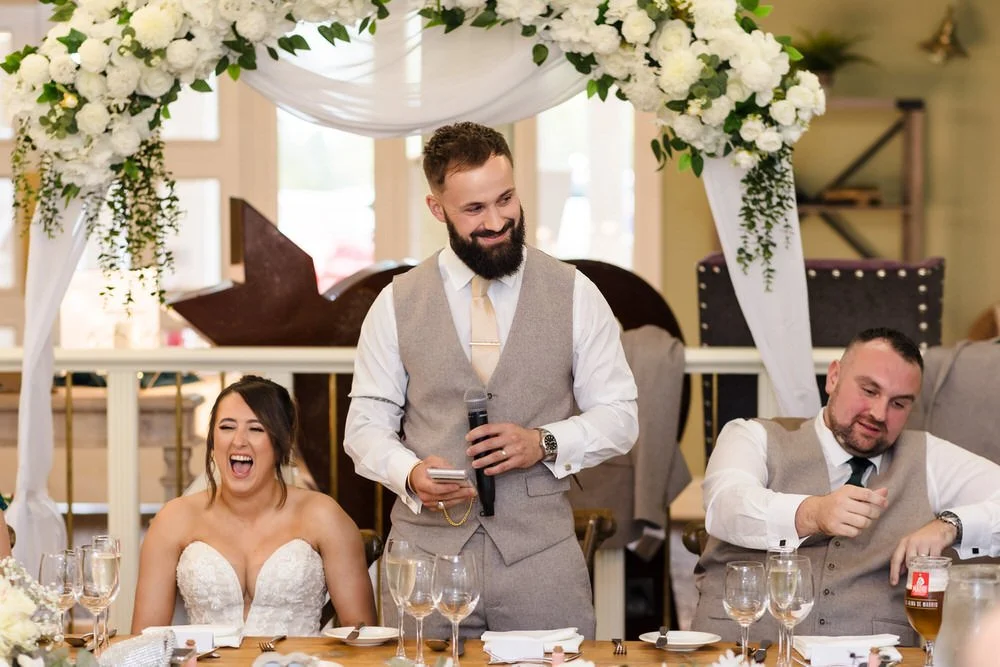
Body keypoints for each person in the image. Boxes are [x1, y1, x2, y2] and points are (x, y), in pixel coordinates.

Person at [344, 121, 638, 639]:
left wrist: (543, 441)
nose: (498, 220)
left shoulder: (576, 293)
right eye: (474, 209)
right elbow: (364, 427)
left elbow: (621, 416)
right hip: (425, 563)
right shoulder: (395, 303)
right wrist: (410, 473)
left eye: (506, 199)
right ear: (438, 209)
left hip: (541, 559)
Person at [693, 327, 1000, 644]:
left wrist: (950, 525)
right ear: (834, 377)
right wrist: (813, 513)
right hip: (739, 653)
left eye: (899, 403)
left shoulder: (927, 457)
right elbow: (725, 506)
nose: (879, 413)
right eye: (869, 391)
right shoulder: (751, 436)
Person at [132, 375, 375, 636]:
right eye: (226, 427)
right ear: (213, 442)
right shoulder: (173, 519)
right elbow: (144, 639)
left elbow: (362, 636)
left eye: (256, 429)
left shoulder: (324, 516)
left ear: (282, 444)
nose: (239, 441)